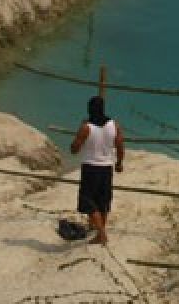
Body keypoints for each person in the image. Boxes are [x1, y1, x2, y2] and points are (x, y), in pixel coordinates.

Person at [70, 95, 124, 245]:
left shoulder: (86, 127)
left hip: (90, 168)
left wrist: (79, 132)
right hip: (107, 167)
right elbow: (120, 145)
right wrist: (119, 163)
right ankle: (99, 228)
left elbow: (74, 149)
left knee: (87, 201)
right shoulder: (114, 125)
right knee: (103, 200)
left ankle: (101, 234)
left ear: (89, 110)